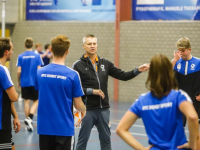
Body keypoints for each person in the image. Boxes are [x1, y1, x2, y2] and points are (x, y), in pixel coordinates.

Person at [73, 34, 149, 150]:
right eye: (89, 44)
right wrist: (91, 91)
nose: (92, 46)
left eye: (94, 43)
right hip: (86, 110)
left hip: (104, 110)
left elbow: (123, 75)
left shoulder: (105, 63)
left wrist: (137, 70)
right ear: (84, 46)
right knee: (82, 142)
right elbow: (74, 88)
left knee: (106, 143)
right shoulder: (78, 65)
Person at [116, 54, 199, 150]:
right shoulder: (179, 96)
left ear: (151, 74)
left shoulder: (142, 101)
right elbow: (193, 117)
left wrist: (142, 149)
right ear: (170, 73)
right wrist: (192, 144)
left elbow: (120, 129)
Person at [35, 35, 86, 150]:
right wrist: (84, 110)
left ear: (51, 49)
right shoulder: (73, 75)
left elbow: (40, 93)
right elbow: (78, 105)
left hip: (44, 128)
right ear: (67, 52)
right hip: (64, 129)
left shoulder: (39, 72)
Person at [17, 37, 43, 132]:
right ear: (33, 45)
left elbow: (19, 70)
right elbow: (39, 69)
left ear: (24, 45)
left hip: (24, 81)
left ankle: (28, 123)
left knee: (26, 101)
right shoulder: (37, 56)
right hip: (35, 81)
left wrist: (18, 81)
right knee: (36, 100)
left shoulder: (20, 56)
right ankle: (30, 118)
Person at [172, 37, 200, 126]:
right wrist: (174, 60)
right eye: (178, 51)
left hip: (196, 99)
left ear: (189, 49)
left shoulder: (198, 62)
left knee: (195, 127)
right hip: (180, 99)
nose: (180, 53)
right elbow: (164, 75)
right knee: (178, 126)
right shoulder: (175, 63)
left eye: (183, 51)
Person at [0, 37, 20, 150]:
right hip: (1, 124)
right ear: (7, 52)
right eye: (12, 49)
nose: (12, 52)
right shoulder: (3, 70)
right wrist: (16, 92)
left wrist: (16, 116)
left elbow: (6, 97)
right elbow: (14, 97)